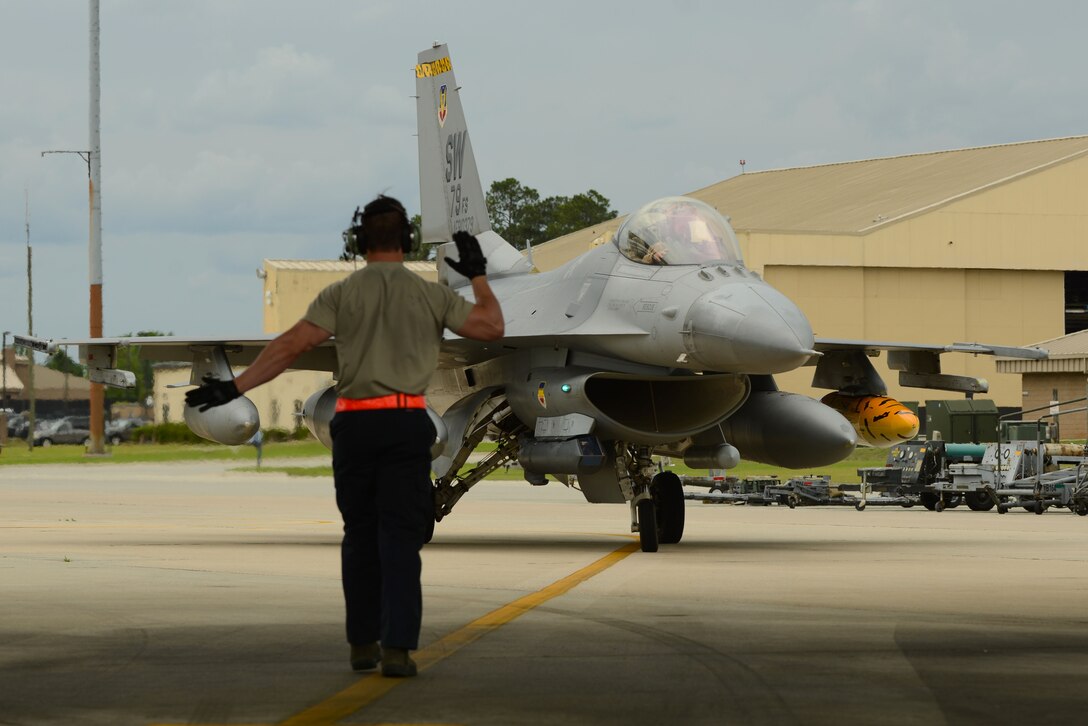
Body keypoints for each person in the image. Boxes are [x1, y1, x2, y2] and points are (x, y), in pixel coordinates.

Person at [185, 195, 504, 678]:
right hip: (405, 426)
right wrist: (478, 275)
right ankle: (397, 650)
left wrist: (234, 387)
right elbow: (492, 326)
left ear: (359, 241)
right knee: (400, 541)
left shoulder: (341, 295)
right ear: (407, 240)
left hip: (355, 427)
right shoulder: (430, 297)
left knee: (360, 536)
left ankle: (362, 644)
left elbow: (289, 347)